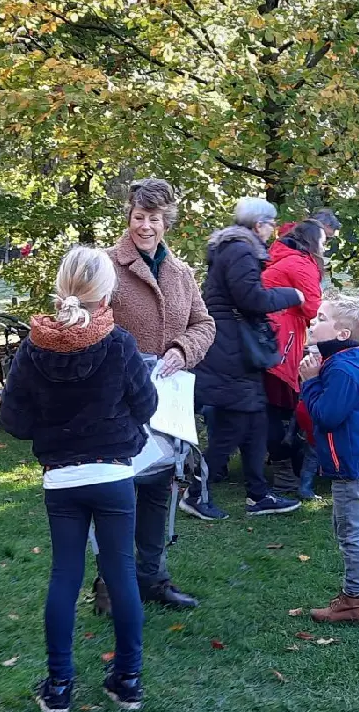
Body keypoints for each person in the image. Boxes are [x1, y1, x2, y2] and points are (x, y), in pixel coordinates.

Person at [0, 246, 157, 712]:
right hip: (113, 473)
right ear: (107, 293)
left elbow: (13, 419)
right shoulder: (120, 344)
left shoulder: (33, 348)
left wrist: (52, 426)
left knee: (65, 576)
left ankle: (60, 684)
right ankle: (128, 679)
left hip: (61, 478)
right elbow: (146, 405)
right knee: (122, 573)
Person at [99, 177, 216, 611]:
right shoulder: (106, 266)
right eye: (138, 217)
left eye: (154, 218)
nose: (145, 226)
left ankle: (152, 577)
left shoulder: (180, 272)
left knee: (159, 488)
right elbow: (90, 325)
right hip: (118, 400)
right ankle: (110, 582)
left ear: (167, 220)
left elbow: (205, 324)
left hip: (168, 402)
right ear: (128, 216)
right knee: (117, 490)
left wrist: (181, 350)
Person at [195, 197, 306, 517]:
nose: (272, 231)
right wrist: (292, 295)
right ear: (259, 225)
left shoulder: (233, 247)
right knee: (233, 429)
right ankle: (194, 490)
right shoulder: (241, 249)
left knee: (256, 421)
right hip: (230, 350)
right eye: (271, 224)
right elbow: (251, 298)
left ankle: (258, 494)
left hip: (235, 349)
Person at [299, 296, 359, 624]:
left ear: (342, 333)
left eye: (321, 318)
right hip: (353, 459)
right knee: (353, 527)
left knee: (349, 532)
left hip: (349, 461)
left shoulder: (343, 369)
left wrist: (310, 383)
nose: (312, 322)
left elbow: (327, 415)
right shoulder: (345, 363)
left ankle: (353, 600)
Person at [261, 219, 324, 502]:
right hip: (279, 344)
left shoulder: (280, 256)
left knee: (273, 409)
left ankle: (284, 466)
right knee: (279, 409)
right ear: (312, 242)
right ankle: (285, 471)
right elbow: (314, 308)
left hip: (266, 339)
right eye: (324, 241)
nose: (325, 247)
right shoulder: (301, 264)